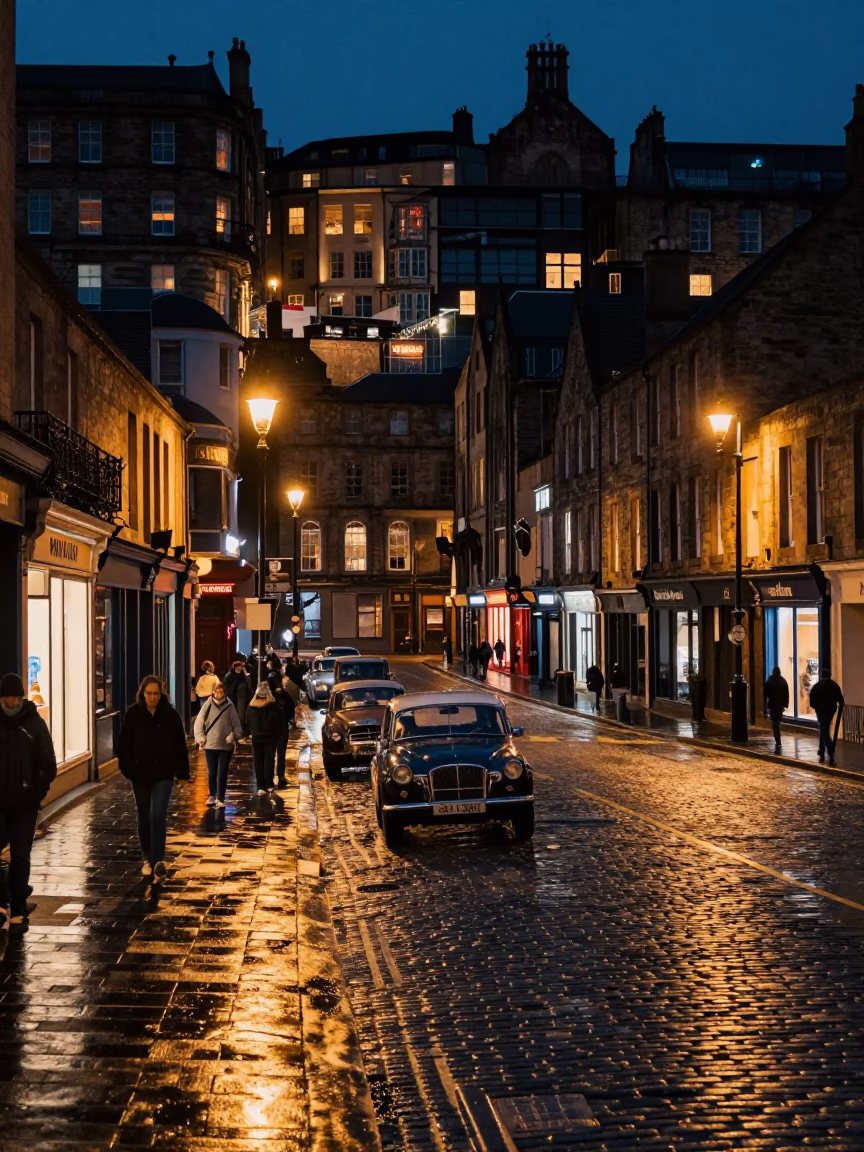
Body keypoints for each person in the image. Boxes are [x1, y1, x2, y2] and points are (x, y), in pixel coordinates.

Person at [118, 676, 189, 880]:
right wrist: (129, 769)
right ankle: (148, 857)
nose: (152, 697)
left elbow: (179, 745)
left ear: (161, 694)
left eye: (156, 693)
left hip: (163, 773)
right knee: (144, 817)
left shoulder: (170, 715)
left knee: (157, 815)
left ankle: (158, 859)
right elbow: (123, 745)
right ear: (143, 694)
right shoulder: (133, 714)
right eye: (148, 693)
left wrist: (182, 773)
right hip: (140, 775)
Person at [0, 673, 56, 925]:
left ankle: (19, 905)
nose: (12, 702)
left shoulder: (34, 724)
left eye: (16, 697)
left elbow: (48, 762)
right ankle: (3, 900)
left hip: (25, 804)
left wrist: (36, 792)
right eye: (8, 697)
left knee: (21, 855)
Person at [193, 682, 243, 808]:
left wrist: (234, 735)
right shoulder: (208, 705)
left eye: (221, 691)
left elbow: (236, 724)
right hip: (210, 745)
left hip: (225, 746)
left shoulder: (230, 706)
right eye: (216, 691)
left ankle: (220, 797)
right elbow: (199, 722)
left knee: (222, 771)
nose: (218, 694)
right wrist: (200, 738)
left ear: (225, 693)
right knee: (212, 771)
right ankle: (212, 795)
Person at [247, 682, 279, 795]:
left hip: (256, 737)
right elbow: (276, 721)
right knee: (269, 761)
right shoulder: (271, 705)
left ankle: (260, 786)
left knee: (258, 762)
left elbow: (247, 721)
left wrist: (250, 732)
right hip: (269, 737)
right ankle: (269, 784)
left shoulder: (251, 706)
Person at [809, 669, 845, 766]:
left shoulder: (817, 686)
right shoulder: (834, 685)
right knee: (824, 728)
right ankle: (821, 750)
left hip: (820, 711)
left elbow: (811, 699)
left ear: (822, 675)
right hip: (830, 711)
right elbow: (841, 699)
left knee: (824, 730)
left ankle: (830, 751)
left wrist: (815, 707)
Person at [266, 656, 291, 788]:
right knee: (277, 751)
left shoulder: (274, 679)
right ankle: (277, 777)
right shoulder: (273, 680)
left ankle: (277, 777)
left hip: (279, 721)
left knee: (277, 751)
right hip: (278, 722)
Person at [764, 666, 790, 753]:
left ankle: (777, 739)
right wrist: (785, 704)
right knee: (777, 722)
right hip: (780, 706)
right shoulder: (783, 681)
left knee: (774, 723)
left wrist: (765, 707)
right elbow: (786, 694)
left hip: (772, 705)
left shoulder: (770, 681)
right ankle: (778, 739)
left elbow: (765, 695)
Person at [224, 657, 253, 734]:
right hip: (233, 696)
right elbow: (226, 685)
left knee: (241, 713)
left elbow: (248, 685)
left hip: (242, 697)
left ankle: (241, 730)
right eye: (241, 666)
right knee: (235, 713)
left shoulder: (244, 675)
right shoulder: (230, 675)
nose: (242, 668)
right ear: (236, 667)